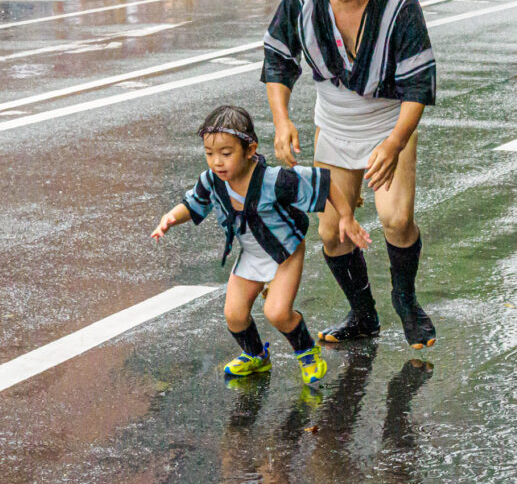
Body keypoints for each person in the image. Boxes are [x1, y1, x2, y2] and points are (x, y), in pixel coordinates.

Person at [262, 0, 438, 350]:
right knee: (331, 231)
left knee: (395, 220)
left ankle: (406, 299)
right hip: (335, 122)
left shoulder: (399, 2)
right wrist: (282, 121)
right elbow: (278, 61)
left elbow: (419, 85)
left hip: (388, 122)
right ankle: (363, 314)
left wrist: (395, 143)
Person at [152, 105, 371, 384]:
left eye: (226, 153)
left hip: (285, 252)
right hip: (252, 253)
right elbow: (192, 204)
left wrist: (347, 217)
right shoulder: (212, 181)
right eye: (209, 154)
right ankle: (256, 356)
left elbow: (324, 184)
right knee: (234, 315)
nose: (217, 162)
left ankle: (307, 353)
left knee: (277, 312)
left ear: (250, 149)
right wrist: (170, 218)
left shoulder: (274, 180)